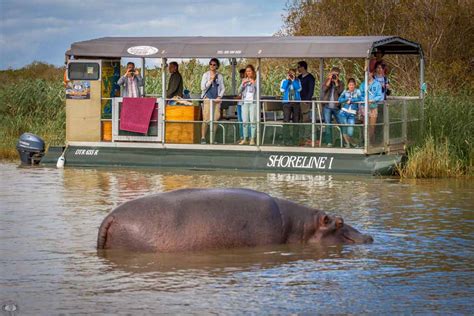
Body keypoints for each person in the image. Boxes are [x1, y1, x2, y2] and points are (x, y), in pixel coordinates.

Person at [200, 58, 225, 144]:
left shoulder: (220, 76)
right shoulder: (205, 75)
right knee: (206, 119)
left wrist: (219, 96)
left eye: (214, 64)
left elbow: (222, 88)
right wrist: (210, 80)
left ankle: (212, 138)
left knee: (215, 119)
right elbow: (203, 87)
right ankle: (203, 137)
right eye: (211, 64)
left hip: (216, 100)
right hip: (207, 98)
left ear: (217, 66)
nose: (212, 66)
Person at [321, 67, 344, 147]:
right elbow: (324, 89)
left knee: (341, 123)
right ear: (330, 74)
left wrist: (336, 82)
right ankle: (329, 142)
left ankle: (344, 141)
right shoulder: (326, 81)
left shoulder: (341, 83)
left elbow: (340, 92)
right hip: (327, 106)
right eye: (333, 74)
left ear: (339, 75)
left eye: (336, 75)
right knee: (328, 124)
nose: (334, 76)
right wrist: (329, 80)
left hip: (337, 107)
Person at [359, 71, 384, 145]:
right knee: (365, 126)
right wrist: (365, 100)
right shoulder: (363, 84)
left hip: (373, 107)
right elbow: (360, 95)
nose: (367, 75)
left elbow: (379, 95)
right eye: (365, 73)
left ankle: (371, 143)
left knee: (372, 126)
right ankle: (365, 143)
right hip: (364, 107)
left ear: (372, 73)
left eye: (368, 73)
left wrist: (373, 100)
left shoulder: (377, 84)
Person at [338, 78, 363, 148]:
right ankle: (348, 144)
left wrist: (352, 100)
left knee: (350, 132)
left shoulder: (357, 91)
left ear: (355, 85)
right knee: (345, 127)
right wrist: (346, 99)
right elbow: (339, 100)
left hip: (352, 114)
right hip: (343, 112)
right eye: (350, 85)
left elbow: (361, 98)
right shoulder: (345, 91)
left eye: (353, 85)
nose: (351, 86)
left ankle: (352, 143)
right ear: (348, 85)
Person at [280, 68, 302, 146]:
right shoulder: (284, 81)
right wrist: (287, 80)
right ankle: (286, 139)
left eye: (293, 73)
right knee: (286, 120)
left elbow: (299, 89)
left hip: (296, 102)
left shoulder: (298, 81)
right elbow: (282, 90)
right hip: (287, 103)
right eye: (290, 73)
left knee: (296, 120)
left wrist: (293, 80)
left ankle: (295, 140)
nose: (291, 75)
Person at [297, 61, 316, 146]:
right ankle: (300, 138)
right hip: (298, 101)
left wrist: (307, 100)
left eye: (299, 67)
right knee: (299, 119)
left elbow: (311, 90)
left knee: (306, 119)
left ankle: (307, 138)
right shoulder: (299, 77)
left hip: (305, 101)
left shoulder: (310, 77)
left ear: (303, 67)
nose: (298, 69)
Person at [238, 65, 257, 145]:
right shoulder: (244, 80)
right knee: (245, 121)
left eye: (249, 71)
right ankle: (245, 138)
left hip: (253, 103)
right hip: (244, 102)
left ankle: (252, 138)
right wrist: (243, 83)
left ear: (253, 71)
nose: (248, 73)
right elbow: (239, 91)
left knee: (253, 121)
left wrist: (254, 83)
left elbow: (260, 91)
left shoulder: (256, 80)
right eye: (247, 71)